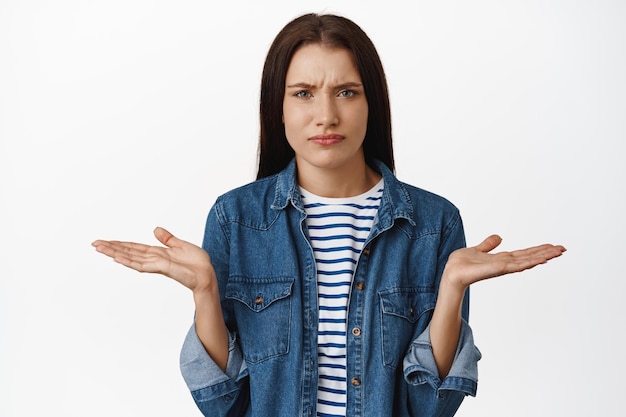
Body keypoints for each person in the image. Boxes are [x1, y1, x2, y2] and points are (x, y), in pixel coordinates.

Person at [92, 13, 565, 417]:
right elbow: (224, 405)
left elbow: (430, 408)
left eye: (346, 92)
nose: (326, 115)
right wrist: (205, 293)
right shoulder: (234, 218)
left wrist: (451, 290)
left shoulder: (433, 222)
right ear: (276, 107)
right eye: (303, 93)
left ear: (370, 103)